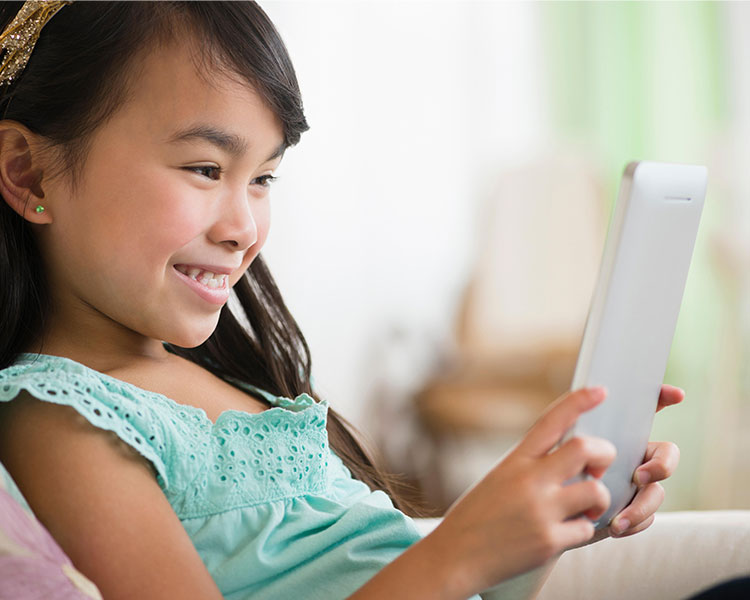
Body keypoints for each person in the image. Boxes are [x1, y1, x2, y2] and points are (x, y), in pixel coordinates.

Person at [0, 2, 683, 599]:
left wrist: (538, 517)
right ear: (28, 171)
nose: (243, 229)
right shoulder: (63, 422)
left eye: (263, 177)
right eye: (206, 169)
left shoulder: (227, 383)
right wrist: (463, 549)